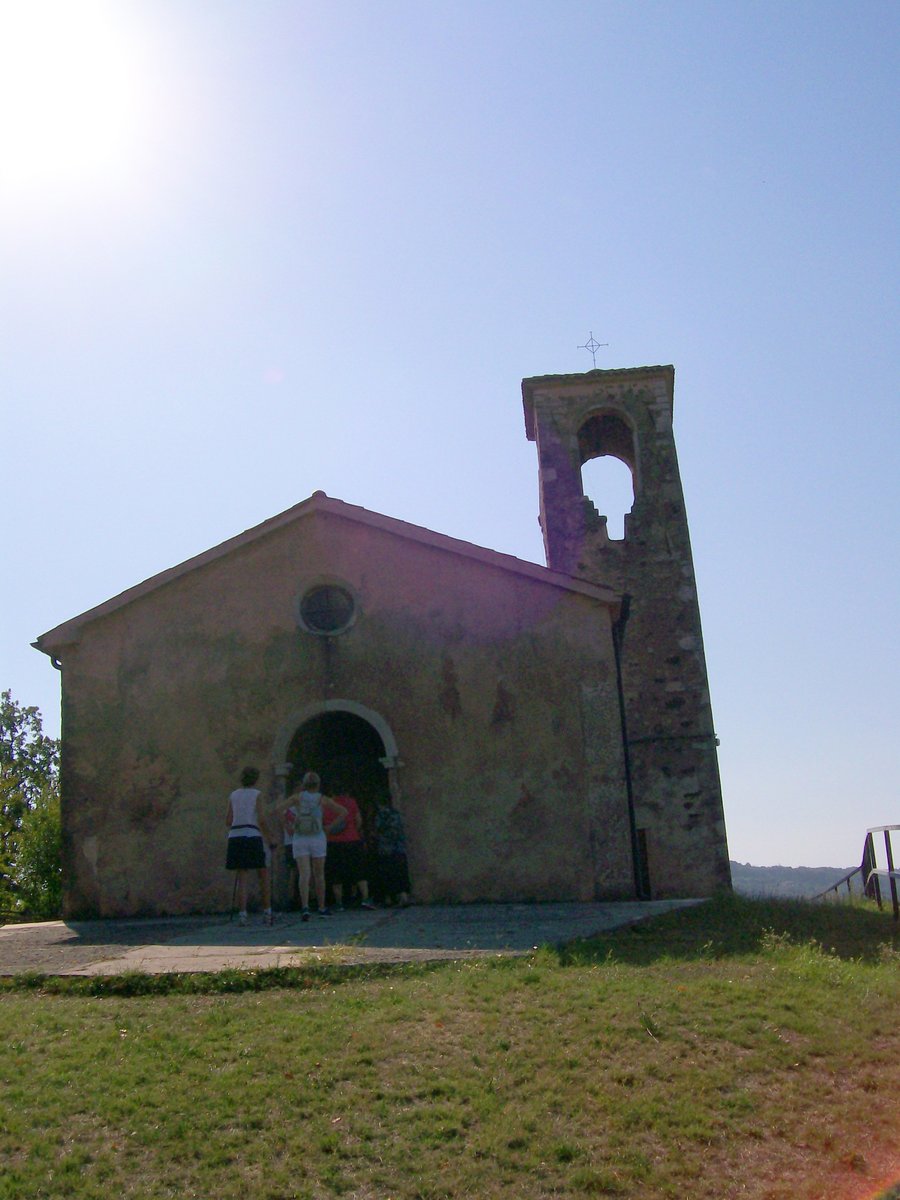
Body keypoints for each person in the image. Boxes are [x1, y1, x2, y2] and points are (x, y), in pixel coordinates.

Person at [283, 771, 347, 921]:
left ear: (304, 785)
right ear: (318, 784)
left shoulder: (296, 798)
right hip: (317, 836)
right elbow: (343, 812)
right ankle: (321, 907)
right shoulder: (322, 799)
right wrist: (330, 827)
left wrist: (288, 824)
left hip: (300, 837)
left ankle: (305, 907)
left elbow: (279, 809)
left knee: (304, 874)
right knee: (319, 874)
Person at [226, 766, 277, 925]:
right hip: (252, 835)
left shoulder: (233, 795)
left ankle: (242, 915)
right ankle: (267, 913)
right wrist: (270, 837)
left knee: (242, 876)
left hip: (235, 835)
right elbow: (261, 819)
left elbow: (228, 820)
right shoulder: (257, 795)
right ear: (256, 779)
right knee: (263, 874)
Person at [326, 790, 375, 911]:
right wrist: (355, 831)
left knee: (336, 874)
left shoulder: (326, 804)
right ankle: (365, 898)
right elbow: (358, 820)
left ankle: (339, 903)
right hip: (352, 840)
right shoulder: (351, 802)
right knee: (359, 870)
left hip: (333, 842)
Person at [373, 797, 411, 907]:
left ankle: (388, 898)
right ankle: (403, 897)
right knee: (400, 873)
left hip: (386, 848)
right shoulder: (396, 814)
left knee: (387, 873)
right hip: (399, 848)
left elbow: (378, 828)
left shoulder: (381, 815)